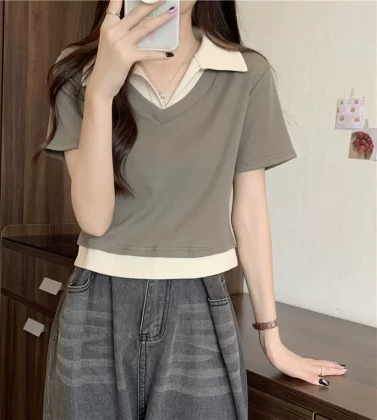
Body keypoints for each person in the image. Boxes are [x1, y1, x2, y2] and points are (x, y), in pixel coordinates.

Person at [38, 1, 347, 419]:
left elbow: (250, 214)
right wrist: (101, 91)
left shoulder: (245, 73)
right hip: (97, 304)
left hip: (198, 305)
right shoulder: (78, 71)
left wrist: (271, 339)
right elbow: (94, 219)